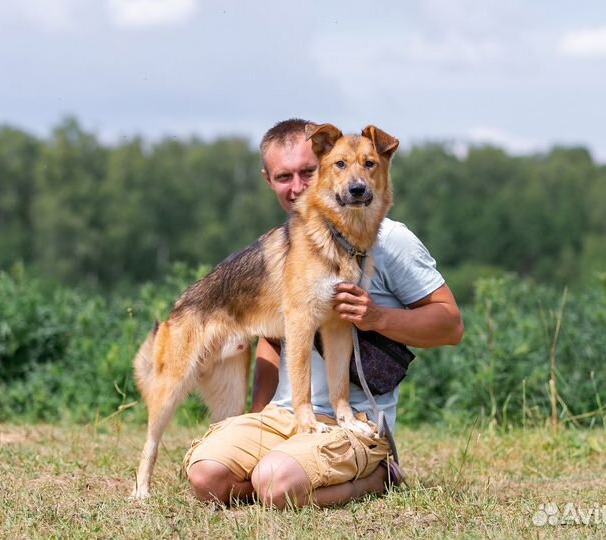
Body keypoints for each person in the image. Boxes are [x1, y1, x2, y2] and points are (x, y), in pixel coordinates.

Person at [183, 119, 463, 509]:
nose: (298, 186)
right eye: (285, 176)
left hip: (355, 422)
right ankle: (281, 474)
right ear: (269, 180)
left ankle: (378, 477)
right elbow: (274, 338)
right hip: (289, 417)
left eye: (307, 172)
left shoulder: (393, 240)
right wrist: (257, 416)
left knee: (275, 482)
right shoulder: (296, 237)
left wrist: (377, 318)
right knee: (206, 476)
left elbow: (451, 325)